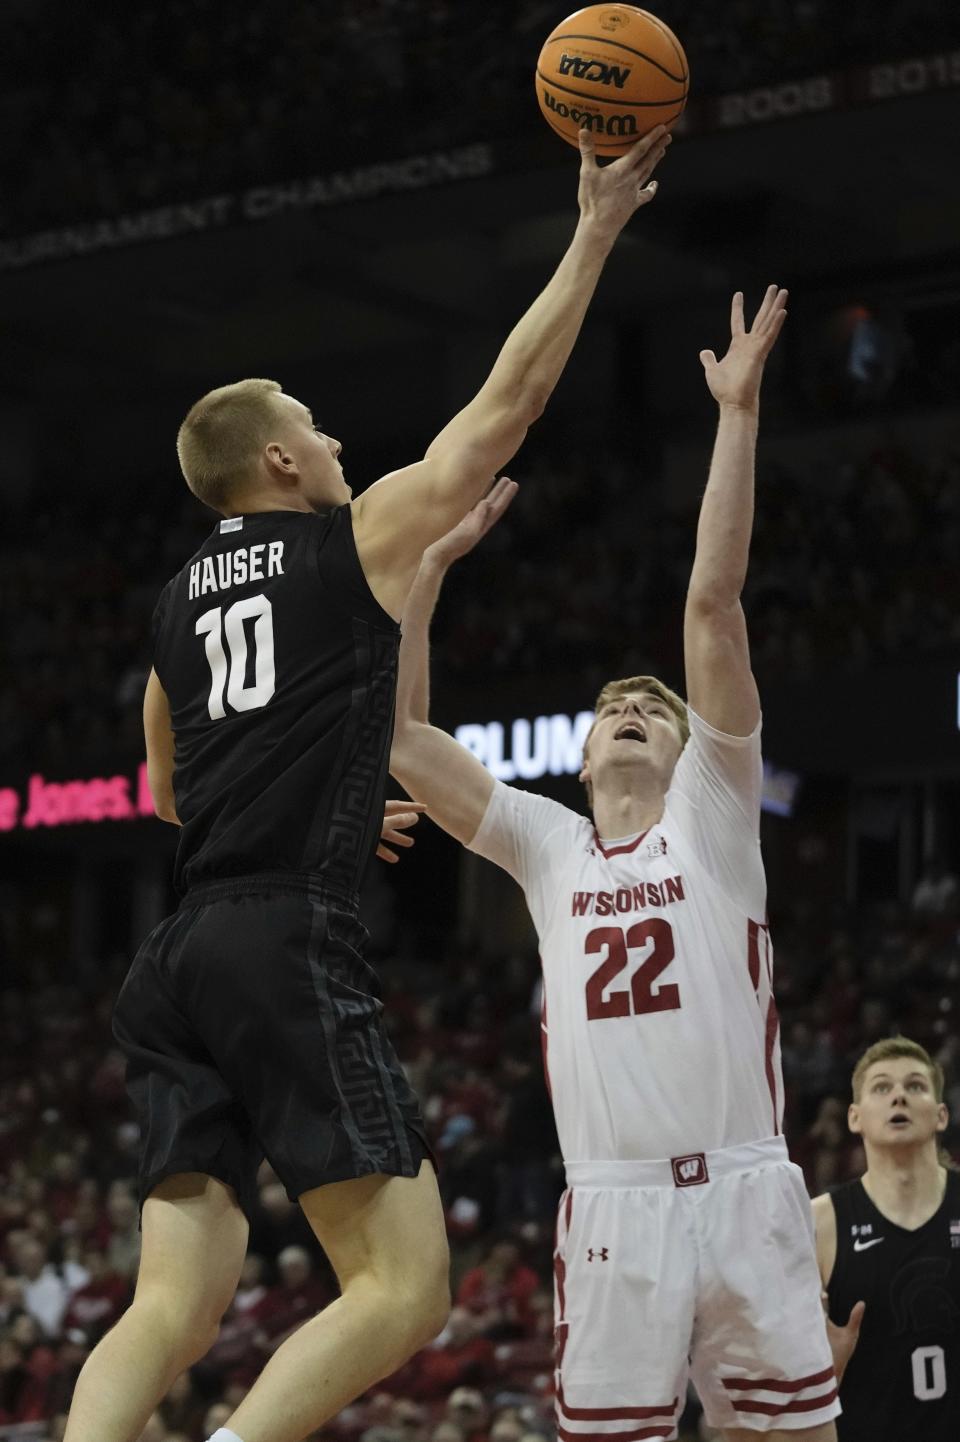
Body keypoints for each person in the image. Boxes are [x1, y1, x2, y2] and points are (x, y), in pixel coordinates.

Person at [62, 122, 672, 1442]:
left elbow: (169, 788)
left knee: (169, 1305)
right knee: (406, 1286)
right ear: (279, 462)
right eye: (319, 432)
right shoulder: (344, 540)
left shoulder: (169, 610)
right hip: (285, 933)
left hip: (175, 954)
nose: (336, 446)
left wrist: (323, 782)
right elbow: (499, 415)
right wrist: (595, 230)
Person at [391, 286, 845, 1440]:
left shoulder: (712, 815)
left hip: (748, 1185)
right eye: (612, 708)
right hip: (615, 1207)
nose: (633, 709)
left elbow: (711, 598)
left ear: (693, 747)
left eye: (653, 705)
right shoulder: (548, 843)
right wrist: (426, 578)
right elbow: (399, 737)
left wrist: (737, 412)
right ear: (584, 758)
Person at [812, 1036, 960, 1441]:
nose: (899, 1097)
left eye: (915, 1086)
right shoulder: (819, 1223)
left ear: (941, 1114)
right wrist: (823, 1369)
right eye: (882, 1087)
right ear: (855, 1118)